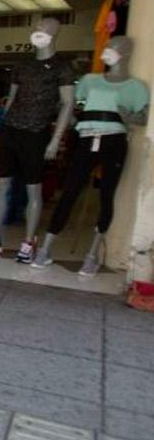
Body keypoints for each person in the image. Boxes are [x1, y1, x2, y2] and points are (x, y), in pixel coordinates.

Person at [32, 36, 149, 275]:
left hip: (114, 140)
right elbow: (70, 105)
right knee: (70, 192)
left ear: (125, 53)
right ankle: (45, 249)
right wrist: (70, 119)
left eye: (112, 49)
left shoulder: (136, 87)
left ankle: (92, 254)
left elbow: (143, 117)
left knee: (107, 195)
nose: (106, 52)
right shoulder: (90, 80)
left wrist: (128, 117)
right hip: (86, 138)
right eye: (106, 47)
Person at [0, 18, 75, 262]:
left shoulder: (62, 68)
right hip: (10, 130)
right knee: (0, 184)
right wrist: (2, 127)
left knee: (34, 188)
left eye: (42, 30)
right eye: (35, 29)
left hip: (36, 132)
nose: (36, 33)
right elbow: (11, 99)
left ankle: (29, 240)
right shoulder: (22, 65)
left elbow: (67, 104)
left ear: (54, 33)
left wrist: (55, 139)